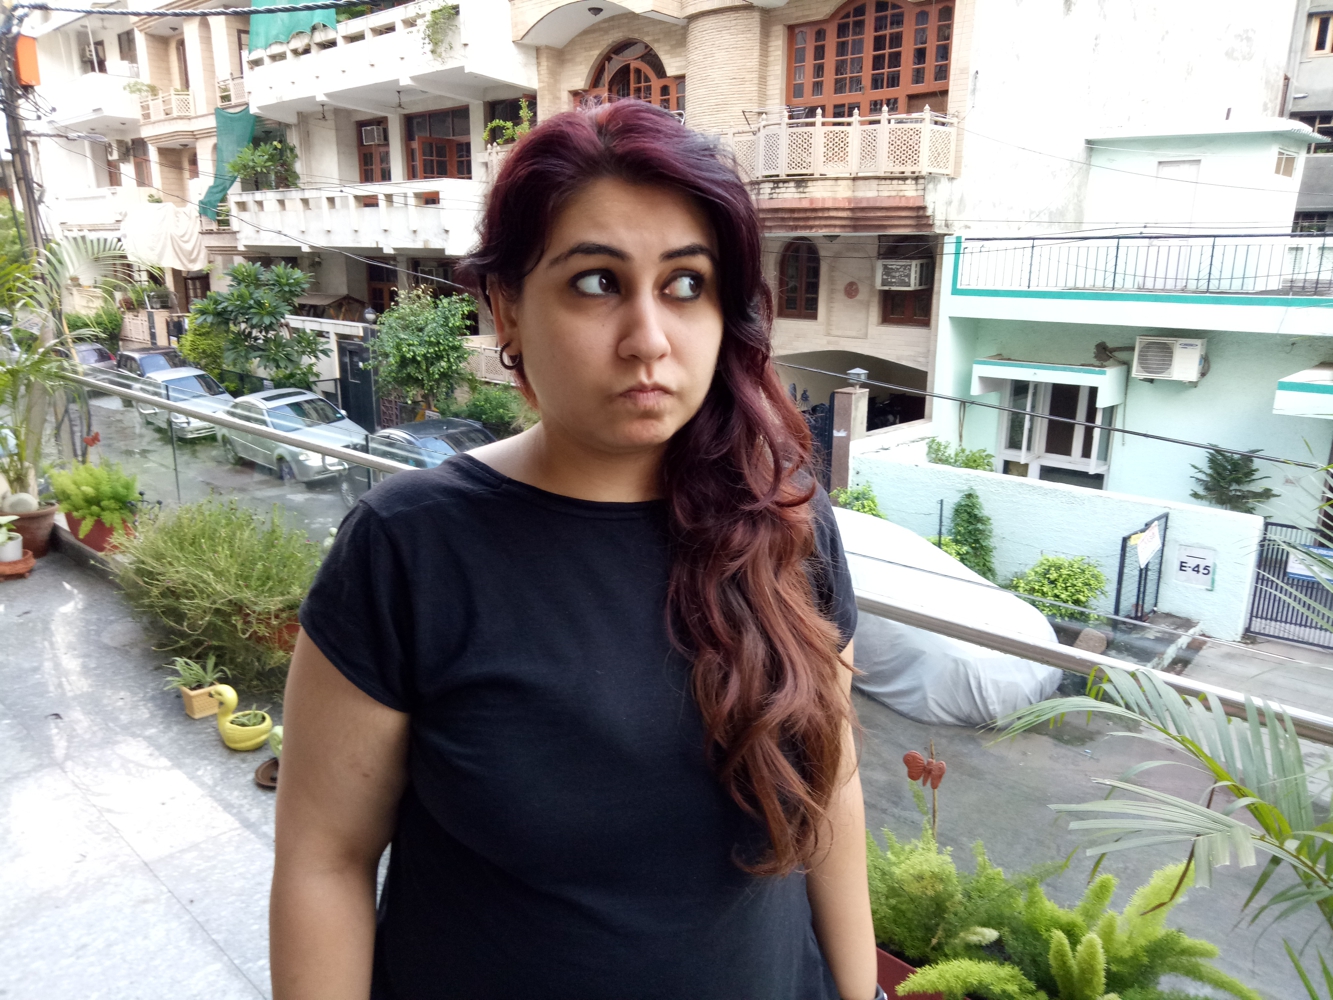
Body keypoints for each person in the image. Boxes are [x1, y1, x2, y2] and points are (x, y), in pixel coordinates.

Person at [270, 99, 880, 1000]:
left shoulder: (785, 522)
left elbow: (833, 788)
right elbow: (326, 859)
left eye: (685, 284)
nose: (648, 340)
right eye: (596, 282)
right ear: (506, 309)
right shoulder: (411, 549)